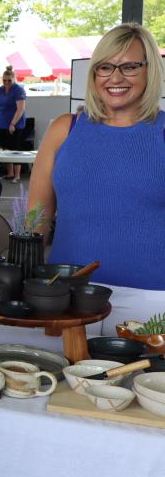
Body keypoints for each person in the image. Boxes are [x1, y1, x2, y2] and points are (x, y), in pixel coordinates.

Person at [28, 22, 165, 290]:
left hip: (151, 301)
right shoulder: (64, 129)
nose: (115, 78)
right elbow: (36, 219)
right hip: (67, 298)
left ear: (151, 70)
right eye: (105, 67)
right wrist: (24, 282)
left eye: (129, 67)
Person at [0, 65, 27, 182]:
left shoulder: (18, 90)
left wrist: (13, 124)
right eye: (4, 80)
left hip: (15, 125)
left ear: (13, 79)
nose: (6, 82)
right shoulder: (0, 90)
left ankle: (17, 175)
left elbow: (20, 109)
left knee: (15, 149)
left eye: (9, 80)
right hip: (2, 124)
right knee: (6, 149)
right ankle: (10, 173)